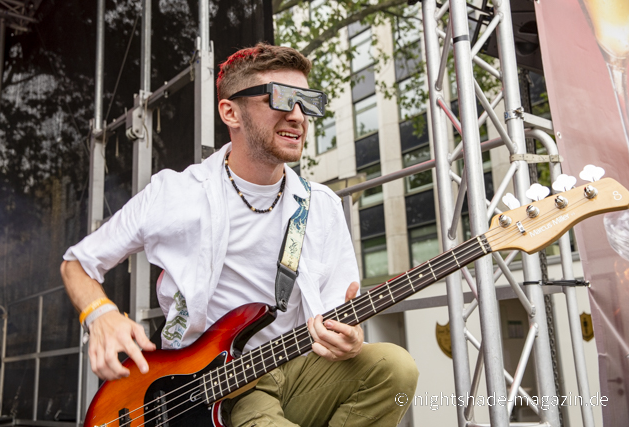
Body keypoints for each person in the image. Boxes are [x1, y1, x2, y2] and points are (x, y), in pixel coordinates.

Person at [61, 43, 418, 426]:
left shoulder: (321, 206)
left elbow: (335, 314)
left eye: (308, 102)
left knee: (395, 367)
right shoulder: (176, 194)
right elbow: (77, 264)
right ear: (230, 112)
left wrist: (349, 339)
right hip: (207, 386)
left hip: (296, 368)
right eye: (282, 99)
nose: (298, 116)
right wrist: (101, 315)